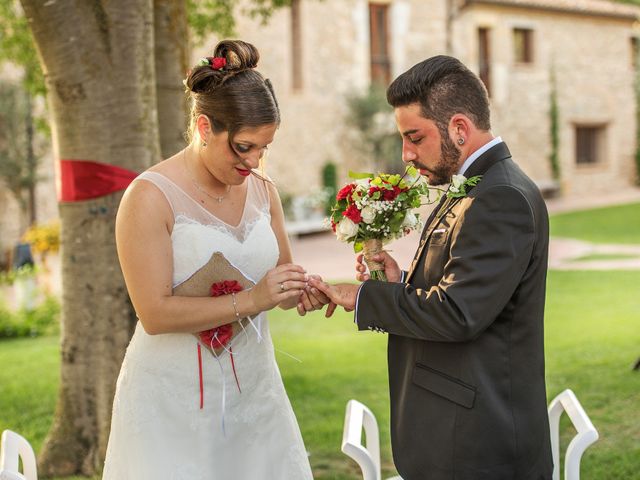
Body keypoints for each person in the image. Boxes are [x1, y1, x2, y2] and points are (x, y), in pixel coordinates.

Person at [309, 55, 553, 479]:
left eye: (414, 137)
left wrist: (365, 296)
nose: (406, 154)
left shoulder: (501, 197)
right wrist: (400, 282)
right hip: (454, 432)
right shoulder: (476, 186)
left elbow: (458, 314)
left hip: (477, 447)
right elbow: (464, 293)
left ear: (459, 128)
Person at [103, 40, 323, 479]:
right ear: (205, 127)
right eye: (244, 147)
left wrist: (298, 289)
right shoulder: (149, 198)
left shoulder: (264, 192)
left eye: (264, 147)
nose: (255, 161)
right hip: (172, 393)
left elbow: (274, 284)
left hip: (255, 388)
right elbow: (154, 314)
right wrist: (254, 299)